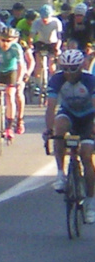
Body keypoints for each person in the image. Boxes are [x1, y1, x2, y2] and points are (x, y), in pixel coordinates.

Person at [44, 49, 95, 223]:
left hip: (89, 117)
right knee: (59, 127)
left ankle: (91, 202)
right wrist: (48, 130)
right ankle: (60, 174)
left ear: (80, 67)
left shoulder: (89, 80)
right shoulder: (57, 79)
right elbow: (51, 107)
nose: (68, 72)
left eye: (73, 68)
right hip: (70, 114)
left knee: (86, 155)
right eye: (65, 68)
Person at [0, 26, 26, 138]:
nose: (5, 44)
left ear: (13, 40)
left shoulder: (16, 48)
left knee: (10, 95)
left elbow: (21, 65)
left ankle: (9, 126)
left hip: (11, 71)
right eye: (2, 40)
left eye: (8, 41)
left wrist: (19, 80)